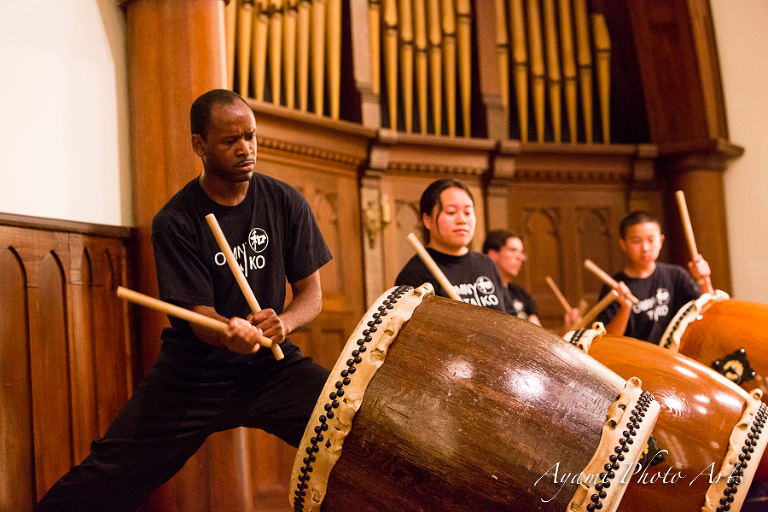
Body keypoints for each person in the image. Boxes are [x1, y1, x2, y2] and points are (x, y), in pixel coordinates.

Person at [34, 89, 333, 511]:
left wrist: (283, 323)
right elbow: (198, 316)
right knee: (109, 473)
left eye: (250, 136)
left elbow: (311, 294)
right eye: (231, 141)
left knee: (346, 429)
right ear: (200, 145)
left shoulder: (285, 201)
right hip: (194, 374)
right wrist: (228, 334)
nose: (246, 148)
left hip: (271, 367)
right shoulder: (174, 221)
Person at [395, 179, 513, 313]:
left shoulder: (486, 264)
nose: (462, 220)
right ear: (427, 220)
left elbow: (509, 318)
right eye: (451, 212)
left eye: (467, 213)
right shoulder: (415, 273)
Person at [595, 210, 711, 345]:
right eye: (636, 241)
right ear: (623, 244)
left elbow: (707, 312)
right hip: (635, 361)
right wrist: (625, 308)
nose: (645, 248)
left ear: (661, 241)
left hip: (674, 356)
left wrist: (704, 279)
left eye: (651, 240)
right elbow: (608, 341)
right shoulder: (614, 288)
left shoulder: (676, 276)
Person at [483, 229, 581, 330]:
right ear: (493, 255)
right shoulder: (483, 293)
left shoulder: (519, 293)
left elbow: (539, 338)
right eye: (513, 250)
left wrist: (567, 328)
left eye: (521, 252)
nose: (520, 258)